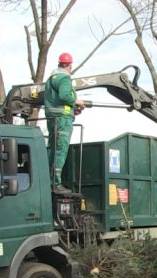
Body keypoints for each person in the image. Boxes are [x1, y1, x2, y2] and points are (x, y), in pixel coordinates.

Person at [45, 52, 86, 193]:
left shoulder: (51, 78)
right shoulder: (64, 78)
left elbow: (57, 99)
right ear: (69, 65)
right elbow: (64, 95)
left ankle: (48, 179)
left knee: (52, 149)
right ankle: (55, 183)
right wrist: (77, 101)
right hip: (62, 119)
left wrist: (73, 108)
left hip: (53, 117)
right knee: (61, 149)